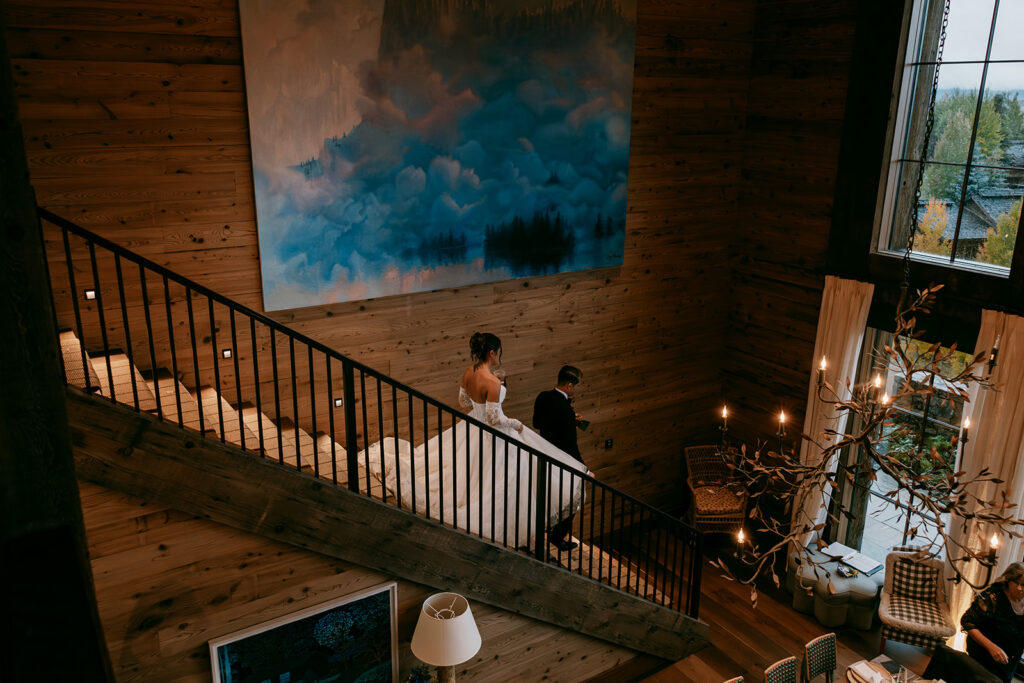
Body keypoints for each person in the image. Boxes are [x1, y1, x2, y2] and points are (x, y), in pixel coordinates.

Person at [364, 333, 587, 550]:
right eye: (499, 352)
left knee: (463, 470)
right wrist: (516, 424)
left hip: (472, 426)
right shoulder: (493, 382)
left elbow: (463, 402)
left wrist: (480, 403)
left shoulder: (468, 372)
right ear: (492, 353)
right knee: (498, 479)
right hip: (493, 435)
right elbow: (494, 419)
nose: (499, 356)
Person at [533, 365, 588, 551]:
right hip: (563, 459)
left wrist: (571, 420)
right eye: (576, 387)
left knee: (549, 493)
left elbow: (537, 423)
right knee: (573, 500)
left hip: (543, 454)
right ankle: (557, 537)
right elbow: (571, 445)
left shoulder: (543, 397)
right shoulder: (564, 409)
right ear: (570, 385)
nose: (576, 390)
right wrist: (585, 469)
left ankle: (548, 526)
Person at [962, 561, 1024, 682]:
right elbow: (967, 621)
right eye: (1020, 584)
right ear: (1009, 580)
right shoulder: (992, 597)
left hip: (1010, 659)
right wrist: (991, 647)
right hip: (985, 658)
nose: (1021, 589)